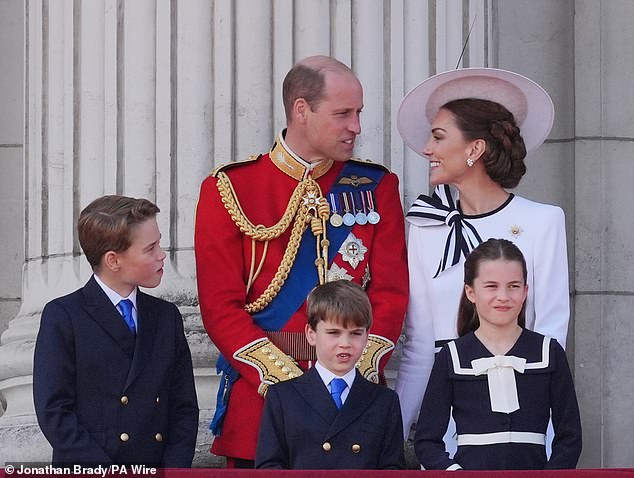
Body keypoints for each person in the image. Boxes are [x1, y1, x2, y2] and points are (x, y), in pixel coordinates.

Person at [194, 55, 408, 467]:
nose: (357, 127)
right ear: (301, 110)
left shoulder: (376, 186)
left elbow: (391, 295)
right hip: (264, 399)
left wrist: (344, 373)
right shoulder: (230, 188)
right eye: (343, 113)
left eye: (359, 113)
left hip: (353, 403)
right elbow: (221, 308)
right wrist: (293, 385)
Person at [395, 68, 570, 440]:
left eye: (439, 138)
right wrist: (391, 433)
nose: (427, 149)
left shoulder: (543, 222)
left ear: (475, 149)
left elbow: (550, 337)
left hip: (521, 421)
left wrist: (546, 435)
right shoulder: (426, 227)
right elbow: (420, 346)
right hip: (446, 423)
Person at [33, 195, 199, 467]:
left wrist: (173, 472)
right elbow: (54, 412)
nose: (162, 255)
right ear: (113, 261)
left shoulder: (166, 317)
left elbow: (183, 409)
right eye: (150, 248)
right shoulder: (64, 316)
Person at [414, 238, 581, 470]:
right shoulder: (451, 356)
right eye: (491, 286)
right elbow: (426, 441)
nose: (503, 296)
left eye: (513, 286)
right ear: (470, 292)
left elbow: (570, 437)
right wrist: (455, 473)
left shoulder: (549, 352)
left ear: (525, 291)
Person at [255, 280, 405, 469]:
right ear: (311, 334)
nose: (345, 343)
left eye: (356, 333)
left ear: (368, 336)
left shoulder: (384, 401)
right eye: (334, 333)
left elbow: (392, 469)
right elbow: (270, 468)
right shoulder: (282, 397)